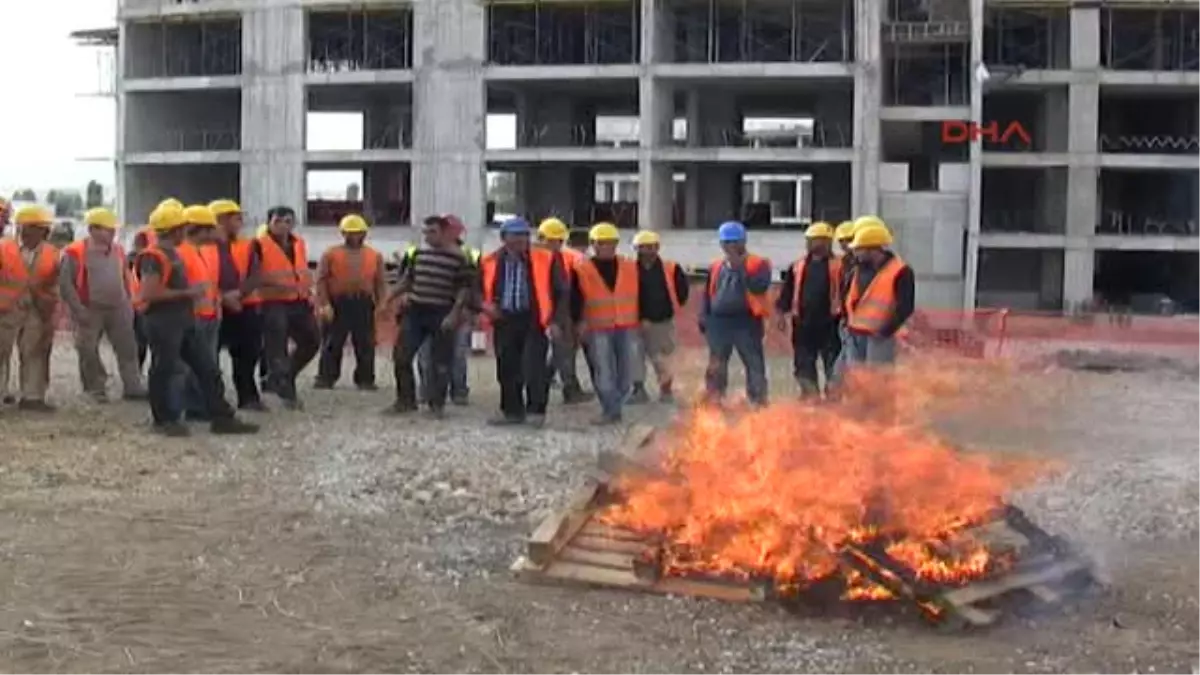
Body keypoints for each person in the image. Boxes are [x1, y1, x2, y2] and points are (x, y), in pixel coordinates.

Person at [134, 204, 257, 437]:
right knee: (164, 369)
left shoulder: (174, 253)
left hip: (182, 321)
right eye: (183, 226)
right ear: (176, 229)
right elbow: (149, 294)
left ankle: (221, 417)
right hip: (162, 323)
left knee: (207, 369)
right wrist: (189, 293)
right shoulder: (154, 257)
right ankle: (163, 421)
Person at [480, 217, 569, 427]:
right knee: (507, 367)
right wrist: (485, 307)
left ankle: (536, 411)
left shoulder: (546, 258)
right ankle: (511, 411)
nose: (521, 239)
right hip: (504, 320)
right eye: (516, 234)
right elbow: (477, 290)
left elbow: (562, 292)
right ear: (504, 238)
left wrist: (556, 321)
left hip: (535, 320)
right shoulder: (490, 261)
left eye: (524, 234)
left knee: (534, 367)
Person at [385, 215, 474, 417]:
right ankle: (405, 400)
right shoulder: (419, 255)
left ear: (444, 232)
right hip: (416, 311)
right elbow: (407, 280)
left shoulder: (460, 258)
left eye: (432, 232)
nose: (428, 237)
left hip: (442, 312)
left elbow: (464, 290)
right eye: (426, 232)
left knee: (440, 361)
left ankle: (437, 405)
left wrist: (454, 314)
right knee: (401, 356)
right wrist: (389, 298)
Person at [59, 207, 148, 403]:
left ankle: (133, 386)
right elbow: (66, 285)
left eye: (112, 228)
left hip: (119, 308)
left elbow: (125, 277)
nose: (112, 232)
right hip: (89, 309)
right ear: (93, 229)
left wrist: (129, 304)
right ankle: (95, 388)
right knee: (87, 349)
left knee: (128, 349)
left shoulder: (118, 250)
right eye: (107, 229)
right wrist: (78, 310)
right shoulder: (74, 252)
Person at [570, 223, 639, 425]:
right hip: (597, 327)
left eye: (611, 243)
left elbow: (641, 294)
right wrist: (579, 322)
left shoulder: (629, 266)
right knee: (604, 370)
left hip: (626, 325)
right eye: (602, 243)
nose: (607, 247)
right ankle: (610, 410)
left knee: (626, 375)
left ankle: (615, 406)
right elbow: (576, 298)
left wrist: (643, 319)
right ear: (593, 244)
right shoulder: (581, 269)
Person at [406, 215, 479, 405]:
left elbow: (471, 286)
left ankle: (457, 392)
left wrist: (469, 311)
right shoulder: (418, 252)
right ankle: (427, 392)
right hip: (425, 310)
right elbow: (408, 278)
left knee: (454, 356)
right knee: (426, 355)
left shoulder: (467, 255)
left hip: (455, 312)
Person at [699, 220, 772, 406]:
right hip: (719, 323)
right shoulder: (716, 266)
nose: (729, 247)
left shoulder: (758, 264)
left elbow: (759, 286)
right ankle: (714, 398)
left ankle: (758, 400)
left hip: (746, 322)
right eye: (725, 243)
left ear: (742, 242)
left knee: (753, 362)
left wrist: (740, 267)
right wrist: (704, 316)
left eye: (733, 242)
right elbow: (708, 293)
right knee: (717, 363)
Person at [255, 207, 319, 410]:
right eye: (278, 220)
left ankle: (283, 376)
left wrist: (310, 291)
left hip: (299, 300)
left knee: (312, 340)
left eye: (288, 221)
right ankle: (286, 389)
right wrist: (274, 284)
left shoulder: (298, 243)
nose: (283, 225)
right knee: (277, 346)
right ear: (269, 223)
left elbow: (301, 270)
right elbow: (253, 274)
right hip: (272, 301)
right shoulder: (258, 245)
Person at [314, 214, 386, 390]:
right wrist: (324, 304)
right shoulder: (330, 254)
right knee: (332, 342)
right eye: (349, 232)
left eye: (358, 232)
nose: (354, 236)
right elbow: (321, 280)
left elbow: (379, 282)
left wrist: (382, 303)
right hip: (338, 302)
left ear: (364, 234)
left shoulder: (374, 255)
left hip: (363, 303)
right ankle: (326, 378)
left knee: (366, 343)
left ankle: (365, 379)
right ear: (343, 233)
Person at [0, 206, 60, 410]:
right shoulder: (4, 248)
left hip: (36, 308)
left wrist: (49, 306)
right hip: (6, 308)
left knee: (34, 351)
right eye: (35, 228)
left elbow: (54, 283)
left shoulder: (52, 254)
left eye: (43, 229)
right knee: (1, 352)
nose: (39, 233)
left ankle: (32, 397)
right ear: (23, 228)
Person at [210, 199, 266, 411]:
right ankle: (213, 399)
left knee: (248, 353)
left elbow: (255, 274)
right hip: (213, 308)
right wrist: (223, 297)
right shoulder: (206, 248)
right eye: (236, 218)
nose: (241, 222)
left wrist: (238, 295)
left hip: (245, 306)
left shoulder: (247, 245)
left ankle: (248, 396)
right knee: (208, 357)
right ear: (221, 220)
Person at [775, 222, 842, 397]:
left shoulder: (840, 266)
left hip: (831, 324)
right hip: (803, 324)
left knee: (833, 364)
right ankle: (809, 396)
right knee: (803, 363)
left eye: (822, 240)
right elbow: (787, 293)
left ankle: (833, 397)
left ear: (829, 242)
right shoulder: (797, 266)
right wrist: (781, 315)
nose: (817, 244)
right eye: (813, 240)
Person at [536, 217, 593, 404]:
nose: (557, 244)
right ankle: (569, 389)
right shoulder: (537, 260)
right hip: (544, 315)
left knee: (563, 351)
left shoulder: (560, 258)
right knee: (563, 352)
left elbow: (566, 290)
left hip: (561, 314)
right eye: (553, 240)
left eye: (559, 241)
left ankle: (547, 384)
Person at [628, 230, 689, 405]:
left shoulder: (671, 268)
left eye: (651, 247)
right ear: (636, 249)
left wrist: (664, 311)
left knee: (662, 358)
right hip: (634, 322)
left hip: (661, 322)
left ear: (657, 248)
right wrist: (640, 317)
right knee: (634, 357)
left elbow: (682, 291)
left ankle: (666, 390)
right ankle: (638, 390)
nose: (647, 251)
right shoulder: (628, 269)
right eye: (643, 248)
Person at [842, 223, 915, 366]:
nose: (855, 253)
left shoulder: (901, 271)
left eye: (859, 249)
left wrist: (886, 331)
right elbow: (848, 297)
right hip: (855, 334)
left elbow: (905, 307)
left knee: (878, 380)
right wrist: (846, 323)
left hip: (880, 337)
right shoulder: (856, 270)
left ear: (873, 249)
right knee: (857, 380)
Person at [178, 205, 224, 420]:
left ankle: (202, 405)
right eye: (209, 229)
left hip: (208, 314)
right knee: (195, 366)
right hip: (193, 317)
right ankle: (194, 408)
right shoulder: (182, 253)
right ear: (196, 229)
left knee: (206, 365)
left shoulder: (200, 251)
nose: (213, 234)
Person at [129, 225, 157, 369]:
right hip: (142, 305)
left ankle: (136, 375)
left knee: (141, 345)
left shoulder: (146, 257)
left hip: (144, 305)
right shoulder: (142, 258)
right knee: (141, 345)